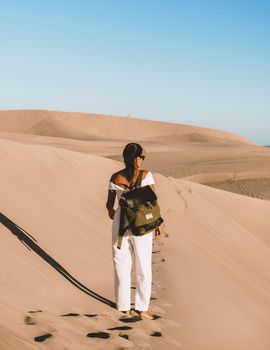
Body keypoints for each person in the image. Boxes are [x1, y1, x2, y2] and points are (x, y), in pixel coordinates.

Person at [106, 143, 162, 319]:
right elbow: (153, 202)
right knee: (144, 266)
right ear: (137, 159)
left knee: (121, 265)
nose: (142, 160)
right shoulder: (146, 176)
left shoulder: (115, 178)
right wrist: (157, 225)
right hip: (142, 226)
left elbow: (109, 206)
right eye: (141, 157)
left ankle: (123, 307)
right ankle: (142, 308)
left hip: (121, 225)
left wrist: (114, 213)